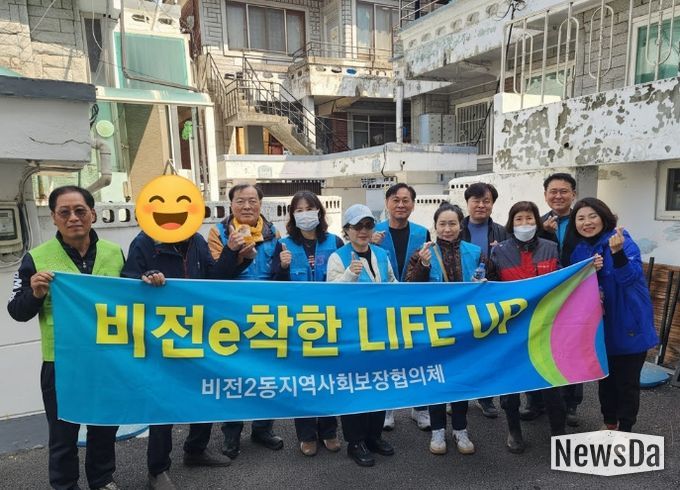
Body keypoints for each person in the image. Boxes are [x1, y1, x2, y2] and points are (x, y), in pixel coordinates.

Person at [8, 186, 124, 490]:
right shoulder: (36, 259)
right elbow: (16, 311)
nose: (73, 218)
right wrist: (35, 294)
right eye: (65, 212)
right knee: (63, 434)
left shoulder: (114, 253)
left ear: (92, 214)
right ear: (54, 218)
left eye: (80, 211)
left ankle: (102, 480)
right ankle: (64, 485)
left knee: (104, 426)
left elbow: (131, 301)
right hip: (61, 362)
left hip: (107, 360)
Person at [122, 216, 244, 489]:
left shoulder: (197, 241)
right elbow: (127, 282)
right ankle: (158, 469)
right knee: (163, 402)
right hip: (163, 334)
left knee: (203, 390)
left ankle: (196, 449)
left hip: (199, 331)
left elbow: (214, 279)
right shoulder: (144, 242)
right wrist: (145, 278)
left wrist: (232, 252)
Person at [207, 184, 284, 459]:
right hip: (231, 315)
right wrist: (234, 250)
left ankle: (263, 429)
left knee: (267, 373)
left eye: (252, 200)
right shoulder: (217, 232)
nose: (247, 206)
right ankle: (232, 433)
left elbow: (278, 276)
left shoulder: (273, 233)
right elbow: (215, 276)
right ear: (231, 205)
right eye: (240, 201)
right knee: (233, 375)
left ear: (261, 204)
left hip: (266, 315)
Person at [569, 198, 659, 432]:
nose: (587, 222)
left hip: (629, 324)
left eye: (592, 216)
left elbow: (629, 278)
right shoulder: (580, 250)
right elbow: (575, 287)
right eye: (581, 218)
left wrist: (617, 253)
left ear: (604, 217)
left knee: (627, 384)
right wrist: (589, 272)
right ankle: (609, 423)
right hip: (599, 327)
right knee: (605, 380)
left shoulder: (622, 241)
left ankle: (626, 429)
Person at [404, 203, 481, 456]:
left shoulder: (475, 252)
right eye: (442, 224)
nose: (447, 229)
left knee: (461, 378)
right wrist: (424, 266)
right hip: (433, 328)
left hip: (466, 327)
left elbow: (488, 286)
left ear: (461, 225)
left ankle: (460, 428)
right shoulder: (423, 252)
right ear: (435, 227)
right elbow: (408, 290)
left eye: (452, 224)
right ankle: (437, 430)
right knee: (436, 379)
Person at [490, 201, 566, 454]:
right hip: (511, 329)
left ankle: (559, 434)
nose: (525, 224)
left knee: (551, 382)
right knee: (510, 384)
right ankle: (514, 431)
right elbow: (490, 287)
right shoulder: (499, 251)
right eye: (519, 219)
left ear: (537, 222)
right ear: (511, 223)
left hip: (544, 327)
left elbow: (563, 280)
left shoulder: (551, 248)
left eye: (530, 218)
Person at [271, 191, 343, 456]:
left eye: (309, 208)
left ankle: (329, 430)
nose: (304, 214)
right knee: (302, 380)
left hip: (329, 321)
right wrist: (282, 268)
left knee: (328, 378)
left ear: (319, 212)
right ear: (292, 215)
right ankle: (306, 434)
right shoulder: (284, 245)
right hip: (298, 324)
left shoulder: (335, 242)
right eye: (299, 210)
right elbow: (275, 287)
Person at [327, 204, 396, 467]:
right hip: (352, 335)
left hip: (380, 331)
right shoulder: (338, 257)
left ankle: (374, 436)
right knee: (355, 387)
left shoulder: (381, 254)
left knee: (379, 384)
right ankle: (355, 442)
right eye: (357, 226)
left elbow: (393, 284)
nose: (364, 231)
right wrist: (348, 275)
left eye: (368, 225)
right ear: (346, 230)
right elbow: (329, 295)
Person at [523, 173, 583, 425]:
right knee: (536, 347)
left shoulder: (583, 220)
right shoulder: (536, 224)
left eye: (564, 191)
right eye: (553, 191)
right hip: (542, 298)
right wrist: (542, 232)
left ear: (573, 194)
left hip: (575, 295)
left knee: (572, 349)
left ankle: (570, 404)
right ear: (545, 195)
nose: (558, 196)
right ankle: (535, 402)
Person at [372, 183, 431, 430]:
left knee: (418, 356)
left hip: (413, 304)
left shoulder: (422, 232)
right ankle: (388, 407)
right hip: (382, 305)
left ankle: (420, 408)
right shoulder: (373, 231)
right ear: (387, 203)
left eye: (406, 200)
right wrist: (370, 243)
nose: (401, 205)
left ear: (413, 205)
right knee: (386, 356)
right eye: (395, 200)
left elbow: (428, 268)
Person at [460, 182, 508, 419]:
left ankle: (486, 397)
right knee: (461, 350)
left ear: (492, 204)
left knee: (488, 350)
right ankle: (458, 397)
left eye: (486, 201)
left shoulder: (502, 232)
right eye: (476, 201)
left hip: (490, 298)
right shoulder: (455, 227)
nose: (481, 205)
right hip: (460, 300)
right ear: (467, 203)